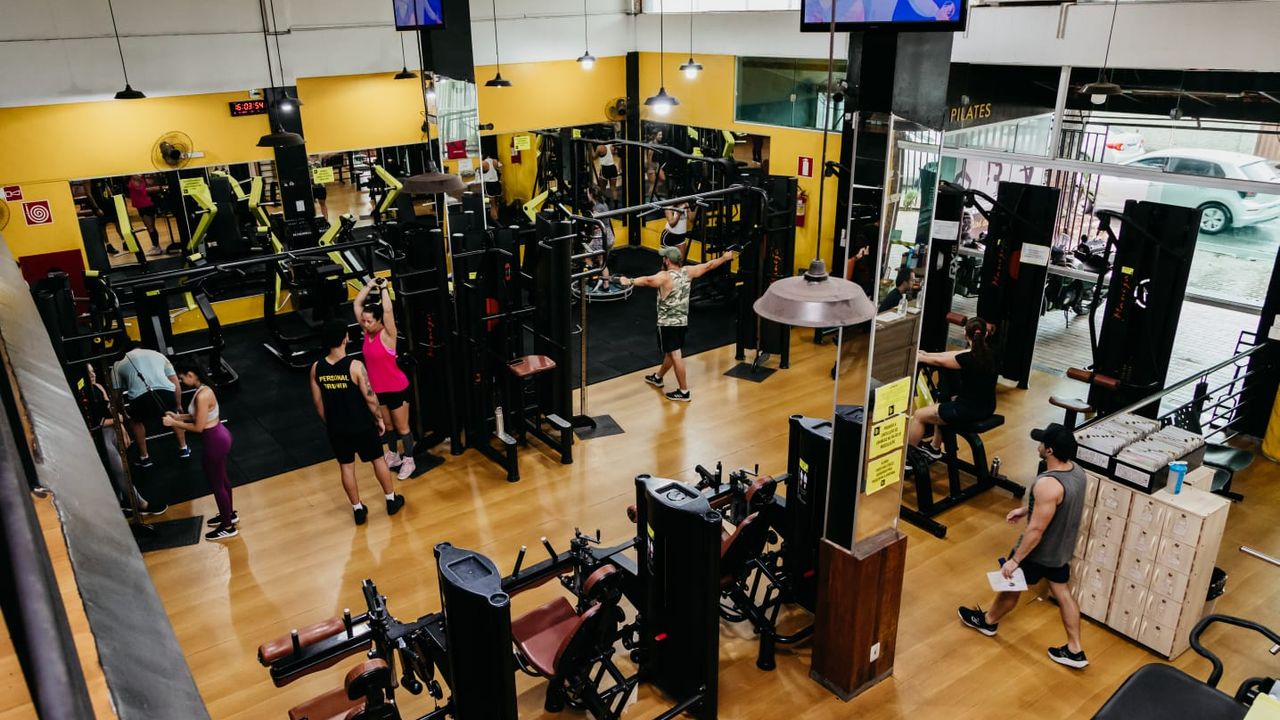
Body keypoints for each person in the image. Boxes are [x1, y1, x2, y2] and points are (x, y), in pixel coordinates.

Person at [957, 423, 1089, 670]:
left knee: (1011, 585)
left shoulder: (1048, 484)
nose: (1038, 445)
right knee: (1063, 593)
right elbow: (1056, 505)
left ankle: (988, 621)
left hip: (1038, 552)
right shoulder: (1078, 473)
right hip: (1061, 549)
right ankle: (1075, 649)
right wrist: (1025, 510)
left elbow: (1036, 530)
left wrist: (1015, 560)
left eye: (1042, 442)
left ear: (1049, 451)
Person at [311, 319, 406, 525]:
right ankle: (391, 500)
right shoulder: (355, 367)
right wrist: (379, 419)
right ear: (345, 338)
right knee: (378, 460)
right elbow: (371, 399)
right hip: (362, 426)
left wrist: (331, 423)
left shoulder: (316, 368)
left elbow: (318, 404)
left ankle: (358, 509)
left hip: (337, 428)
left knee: (346, 467)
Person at [618, 246, 736, 402]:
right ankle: (658, 377)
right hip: (682, 322)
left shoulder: (665, 277)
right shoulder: (688, 271)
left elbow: (647, 280)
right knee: (671, 352)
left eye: (664, 257)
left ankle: (684, 391)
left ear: (667, 260)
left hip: (668, 324)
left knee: (675, 354)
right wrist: (724, 258)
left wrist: (629, 281)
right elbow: (709, 265)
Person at [355, 278, 438, 479]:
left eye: (369, 321)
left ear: (379, 321)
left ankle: (409, 459)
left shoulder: (388, 335)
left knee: (402, 428)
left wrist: (384, 288)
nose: (365, 324)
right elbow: (357, 304)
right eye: (364, 321)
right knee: (388, 426)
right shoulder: (367, 333)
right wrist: (369, 285)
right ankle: (393, 454)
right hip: (379, 390)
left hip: (397, 389)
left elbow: (388, 311)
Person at [163, 365, 237, 541]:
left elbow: (198, 427)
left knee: (217, 484)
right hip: (219, 435)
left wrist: (174, 423)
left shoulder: (202, 395)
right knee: (223, 479)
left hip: (214, 441)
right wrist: (178, 417)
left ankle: (228, 527)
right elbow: (198, 415)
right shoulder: (204, 389)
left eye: (182, 378)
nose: (181, 382)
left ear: (191, 374)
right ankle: (229, 514)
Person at [80, 364, 166, 516]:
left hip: (112, 431)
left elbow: (111, 410)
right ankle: (141, 504)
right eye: (89, 373)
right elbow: (97, 422)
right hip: (101, 436)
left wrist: (122, 429)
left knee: (120, 469)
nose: (93, 375)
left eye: (93, 371)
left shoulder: (98, 387)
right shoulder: (82, 394)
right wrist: (117, 420)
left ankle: (120, 503)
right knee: (119, 470)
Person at [910, 316, 996, 457]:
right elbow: (950, 355)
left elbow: (940, 361)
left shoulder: (966, 359)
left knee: (919, 415)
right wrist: (927, 354)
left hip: (968, 410)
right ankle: (934, 448)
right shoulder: (990, 354)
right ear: (985, 334)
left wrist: (921, 357)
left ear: (965, 333)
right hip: (987, 407)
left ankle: (908, 461)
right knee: (942, 402)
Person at [112, 344, 188, 468]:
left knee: (136, 422)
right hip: (166, 391)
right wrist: (178, 404)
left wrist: (123, 413)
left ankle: (144, 457)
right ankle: (183, 448)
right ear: (140, 347)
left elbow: (116, 394)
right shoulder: (158, 355)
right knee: (174, 415)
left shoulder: (118, 364)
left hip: (140, 397)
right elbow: (175, 382)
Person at [126, 174, 162, 255]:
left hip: (145, 204)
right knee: (151, 226)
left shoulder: (137, 177)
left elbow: (142, 188)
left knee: (150, 227)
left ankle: (156, 247)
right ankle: (156, 245)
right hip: (142, 204)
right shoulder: (137, 177)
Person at [481, 156, 502, 224]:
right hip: (497, 183)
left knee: (492, 203)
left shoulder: (483, 163)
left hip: (489, 183)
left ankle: (494, 219)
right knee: (497, 202)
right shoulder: (495, 161)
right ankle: (497, 217)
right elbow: (500, 168)